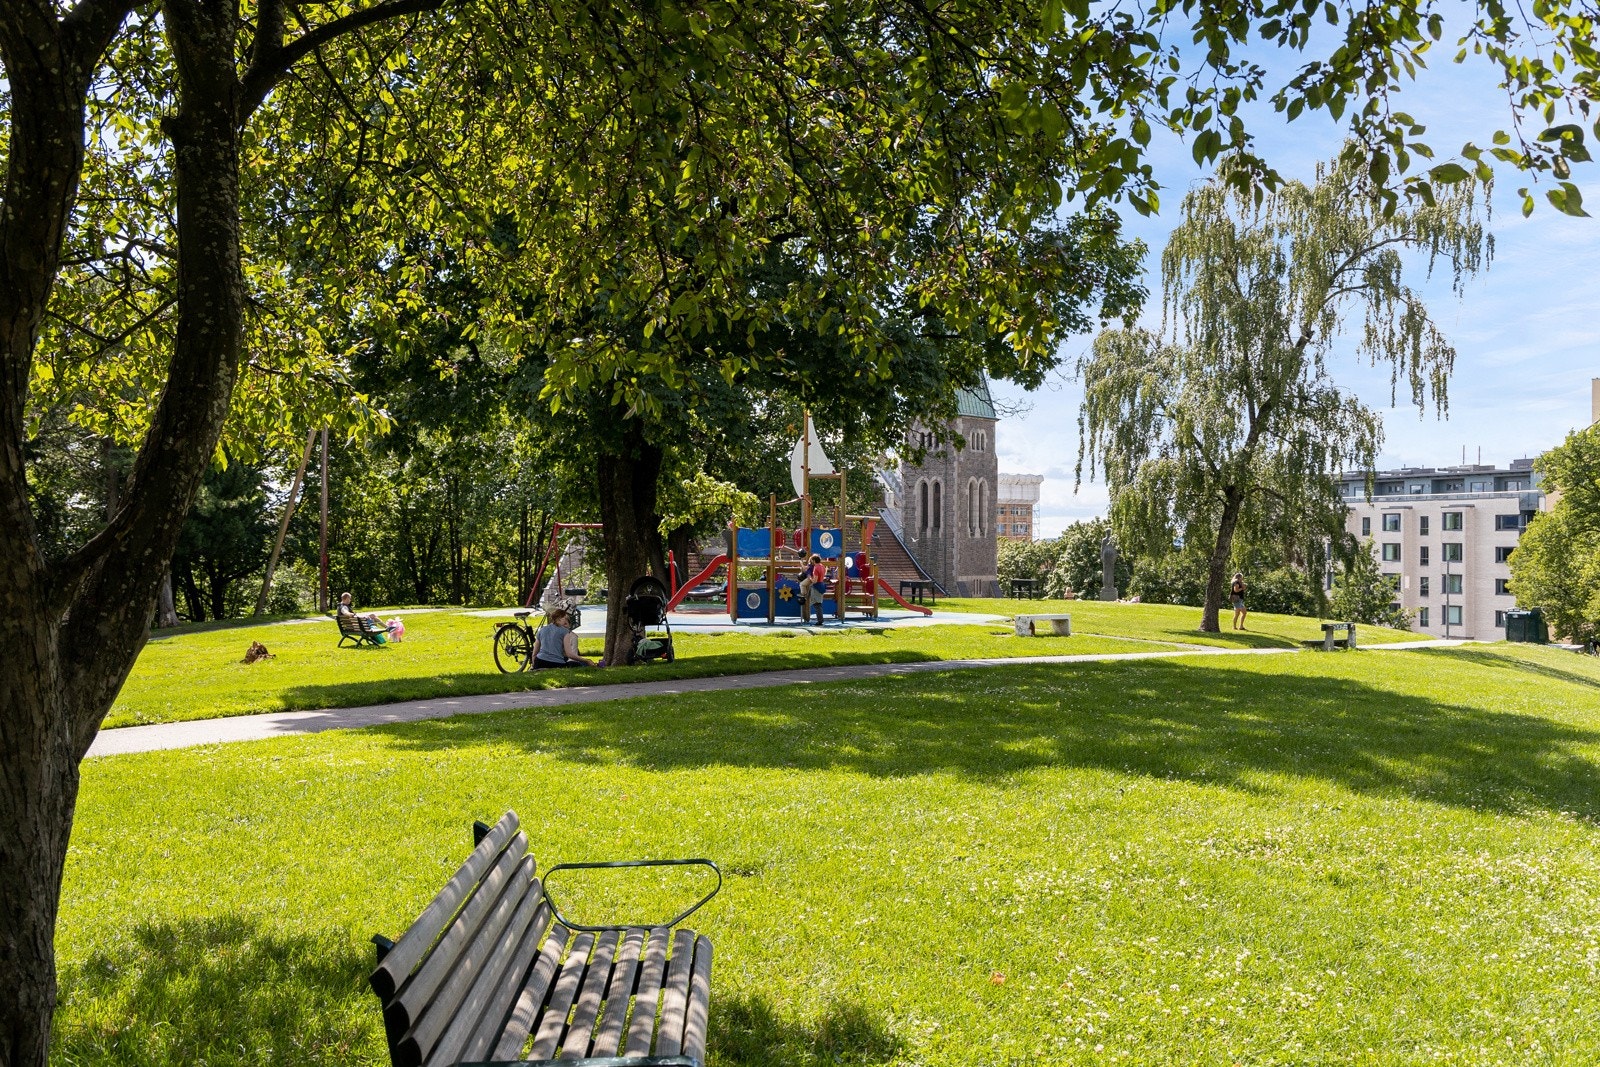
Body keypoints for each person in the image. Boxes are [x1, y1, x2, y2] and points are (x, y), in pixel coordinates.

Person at [803, 553, 830, 626]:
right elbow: (823, 575)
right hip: (821, 585)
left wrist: (809, 577)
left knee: (817, 604)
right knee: (819, 603)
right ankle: (820, 619)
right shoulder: (822, 566)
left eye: (812, 560)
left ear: (814, 560)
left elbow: (814, 580)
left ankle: (820, 620)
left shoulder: (816, 568)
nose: (811, 562)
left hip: (816, 586)